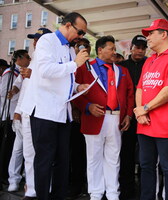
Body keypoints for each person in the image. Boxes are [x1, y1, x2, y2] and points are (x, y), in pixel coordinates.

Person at [20, 12, 89, 200]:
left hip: (62, 112)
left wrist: (77, 86)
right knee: (44, 160)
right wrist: (75, 64)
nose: (81, 37)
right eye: (80, 31)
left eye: (84, 34)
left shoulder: (70, 49)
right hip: (43, 110)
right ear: (67, 25)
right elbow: (45, 71)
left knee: (62, 161)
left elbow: (63, 78)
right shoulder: (46, 41)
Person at [133, 19, 168, 200]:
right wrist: (139, 111)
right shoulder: (149, 60)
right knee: (146, 166)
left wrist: (145, 109)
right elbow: (140, 87)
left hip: (167, 123)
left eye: (151, 33)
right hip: (145, 122)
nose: (147, 37)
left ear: (164, 34)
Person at [73, 35, 134, 200]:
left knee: (114, 157)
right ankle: (96, 193)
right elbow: (74, 90)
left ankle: (113, 193)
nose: (115, 52)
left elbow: (130, 94)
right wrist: (87, 106)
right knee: (94, 157)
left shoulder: (123, 70)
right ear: (100, 50)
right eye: (111, 48)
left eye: (115, 49)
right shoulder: (85, 67)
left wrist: (128, 114)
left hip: (116, 118)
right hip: (93, 117)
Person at [6, 29, 52, 200]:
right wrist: (18, 110)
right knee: (28, 154)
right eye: (34, 39)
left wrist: (33, 76)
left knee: (43, 153)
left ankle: (44, 189)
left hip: (42, 112)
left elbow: (55, 83)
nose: (35, 42)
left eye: (38, 39)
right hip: (26, 111)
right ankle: (31, 190)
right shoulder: (32, 62)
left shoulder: (50, 59)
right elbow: (21, 85)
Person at [118, 34, 147, 200]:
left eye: (143, 48)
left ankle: (145, 188)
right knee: (126, 153)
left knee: (145, 154)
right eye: (137, 47)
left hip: (145, 115)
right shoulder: (122, 66)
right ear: (131, 48)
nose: (140, 51)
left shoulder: (150, 64)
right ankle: (126, 188)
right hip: (127, 116)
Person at [0, 50, 28, 189]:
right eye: (27, 57)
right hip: (14, 114)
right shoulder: (13, 73)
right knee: (15, 148)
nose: (29, 59)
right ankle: (11, 178)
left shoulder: (32, 68)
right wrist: (13, 92)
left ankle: (25, 179)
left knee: (26, 150)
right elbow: (12, 88)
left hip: (27, 114)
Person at [67, 38, 91, 199]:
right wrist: (76, 108)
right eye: (78, 45)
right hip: (73, 115)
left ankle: (87, 184)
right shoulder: (69, 64)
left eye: (86, 46)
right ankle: (74, 184)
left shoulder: (92, 65)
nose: (82, 48)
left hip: (90, 115)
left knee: (87, 153)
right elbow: (70, 88)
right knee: (74, 153)